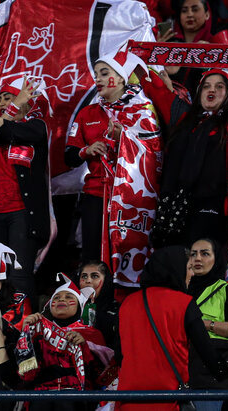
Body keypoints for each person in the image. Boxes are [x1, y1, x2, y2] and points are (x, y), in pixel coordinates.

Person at [65, 54, 161, 286]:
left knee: (126, 254)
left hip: (131, 201)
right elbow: (69, 156)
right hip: (96, 195)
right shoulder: (88, 113)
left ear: (120, 78)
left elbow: (156, 154)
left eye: (105, 73)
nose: (98, 78)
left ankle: (120, 304)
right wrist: (85, 151)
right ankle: (89, 304)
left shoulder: (142, 109)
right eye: (96, 74)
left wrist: (124, 138)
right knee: (91, 255)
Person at [145, 68, 228, 247]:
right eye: (206, 86)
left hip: (215, 207)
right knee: (175, 262)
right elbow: (150, 84)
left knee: (202, 259)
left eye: (219, 86)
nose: (212, 90)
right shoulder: (183, 115)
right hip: (174, 207)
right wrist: (137, 51)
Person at [117, 247, 228, 411]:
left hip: (129, 399)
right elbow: (207, 352)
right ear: (175, 269)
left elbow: (119, 353)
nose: (192, 274)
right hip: (167, 399)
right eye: (189, 268)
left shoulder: (127, 304)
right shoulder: (183, 303)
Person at [0, 77, 51, 304]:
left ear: (28, 101)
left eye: (12, 97)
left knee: (18, 276)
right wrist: (11, 108)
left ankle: (23, 329)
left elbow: (13, 132)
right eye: (3, 99)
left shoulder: (37, 128)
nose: (5, 102)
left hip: (22, 213)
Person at [186, 238, 228, 411]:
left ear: (217, 259)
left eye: (205, 253)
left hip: (209, 378)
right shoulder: (180, 289)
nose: (197, 259)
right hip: (178, 374)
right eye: (193, 254)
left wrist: (205, 325)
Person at [18, 274, 108, 397]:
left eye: (69, 296)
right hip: (41, 397)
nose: (61, 300)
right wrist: (26, 335)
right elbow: (26, 375)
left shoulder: (92, 334)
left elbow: (101, 375)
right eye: (56, 297)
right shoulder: (39, 332)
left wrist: (84, 346)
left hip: (78, 398)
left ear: (79, 306)